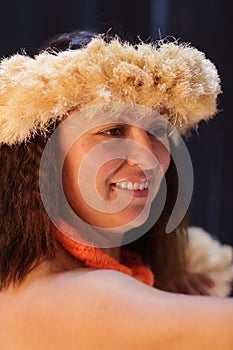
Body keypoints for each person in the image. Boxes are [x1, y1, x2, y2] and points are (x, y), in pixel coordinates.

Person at [0, 30, 232, 349]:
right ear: (43, 151)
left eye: (156, 129)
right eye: (112, 130)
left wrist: (161, 293)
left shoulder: (146, 272)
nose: (148, 158)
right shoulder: (76, 299)